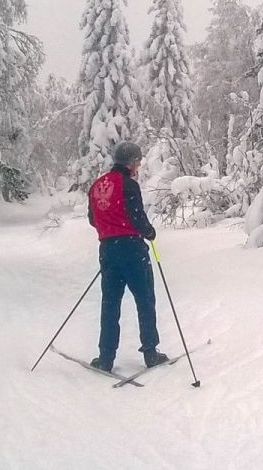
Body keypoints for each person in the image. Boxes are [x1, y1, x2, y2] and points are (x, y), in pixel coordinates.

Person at [87, 141, 169, 371]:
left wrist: (109, 230)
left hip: (107, 250)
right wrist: (149, 232)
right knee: (144, 300)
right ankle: (150, 352)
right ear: (131, 162)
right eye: (138, 162)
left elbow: (93, 219)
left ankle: (106, 358)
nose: (139, 165)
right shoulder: (129, 185)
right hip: (132, 249)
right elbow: (137, 218)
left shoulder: (96, 185)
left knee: (110, 303)